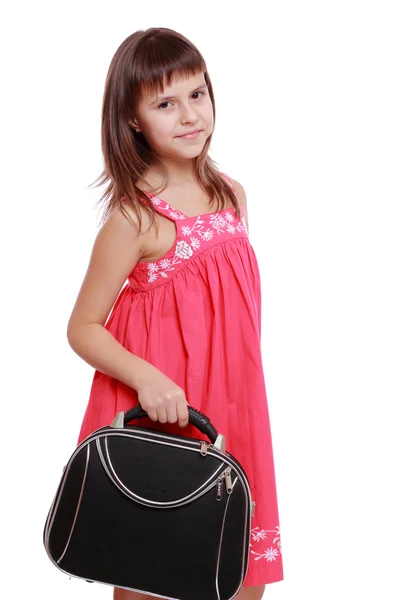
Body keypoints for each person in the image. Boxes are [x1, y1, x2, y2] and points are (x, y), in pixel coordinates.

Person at [67, 27, 284, 600]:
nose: (189, 116)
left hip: (233, 411)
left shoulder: (233, 195)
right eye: (165, 103)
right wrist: (146, 378)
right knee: (150, 572)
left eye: (197, 94)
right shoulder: (135, 218)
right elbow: (82, 326)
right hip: (165, 417)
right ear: (133, 118)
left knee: (237, 579)